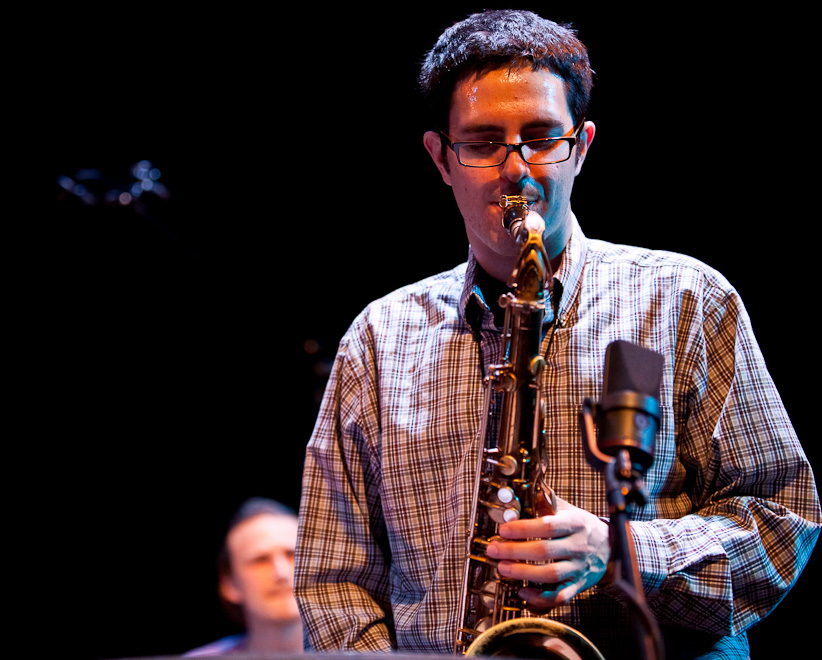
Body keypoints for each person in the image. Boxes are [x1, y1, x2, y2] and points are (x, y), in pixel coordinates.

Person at [294, 9, 820, 660]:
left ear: (582, 145)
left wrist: (622, 552)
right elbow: (334, 582)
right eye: (484, 143)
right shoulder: (377, 338)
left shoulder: (686, 299)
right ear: (441, 158)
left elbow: (782, 525)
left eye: (541, 137)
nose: (517, 170)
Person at [185, 498, 303, 656]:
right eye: (260, 560)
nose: (281, 573)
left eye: (291, 555)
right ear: (229, 584)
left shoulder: (348, 653)